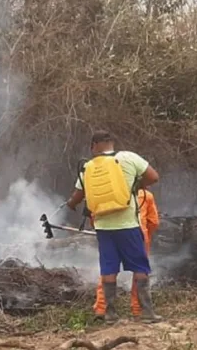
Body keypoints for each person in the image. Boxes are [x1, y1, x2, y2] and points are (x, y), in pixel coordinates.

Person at [66, 131, 161, 324]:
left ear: (94, 145)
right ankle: (146, 312)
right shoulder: (129, 157)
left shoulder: (88, 166)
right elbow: (153, 177)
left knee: (109, 268)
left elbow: (78, 195)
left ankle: (110, 314)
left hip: (103, 227)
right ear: (112, 143)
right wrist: (135, 187)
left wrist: (71, 204)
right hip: (129, 224)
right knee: (139, 266)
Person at [130, 188, 160, 319]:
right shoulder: (145, 195)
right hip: (138, 234)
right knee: (139, 269)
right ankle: (139, 310)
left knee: (110, 269)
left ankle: (103, 309)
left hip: (111, 233)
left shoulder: (111, 192)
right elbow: (153, 222)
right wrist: (147, 234)